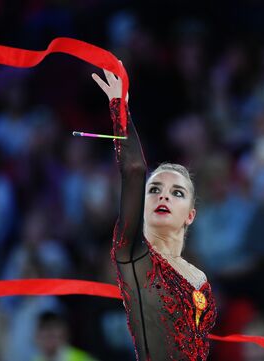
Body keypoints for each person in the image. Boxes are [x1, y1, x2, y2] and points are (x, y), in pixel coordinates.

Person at [91, 67, 217, 361]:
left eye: (177, 193)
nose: (163, 195)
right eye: (156, 189)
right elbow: (134, 170)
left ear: (190, 215)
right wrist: (119, 109)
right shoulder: (132, 256)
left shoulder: (198, 275)